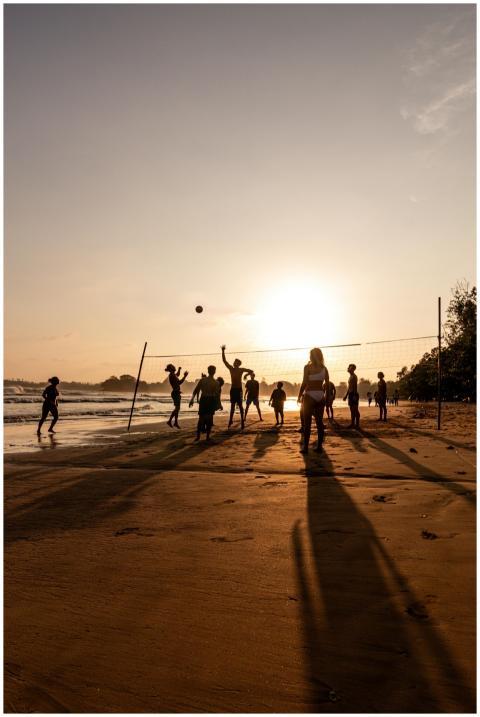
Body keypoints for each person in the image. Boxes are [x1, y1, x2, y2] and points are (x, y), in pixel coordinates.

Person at [298, 348, 330, 453]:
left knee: (307, 423)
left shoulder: (307, 367)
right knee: (319, 422)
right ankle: (319, 447)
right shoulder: (324, 368)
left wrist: (299, 395)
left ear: (311, 356)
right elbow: (327, 385)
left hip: (310, 395)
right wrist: (327, 397)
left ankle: (306, 447)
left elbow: (304, 382)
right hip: (320, 396)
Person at [221, 345, 253, 429]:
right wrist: (223, 351)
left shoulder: (240, 369)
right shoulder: (231, 368)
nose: (233, 362)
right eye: (234, 361)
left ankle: (242, 421)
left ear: (237, 364)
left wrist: (246, 375)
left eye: (235, 362)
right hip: (233, 389)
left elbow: (251, 371)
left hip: (239, 390)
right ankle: (230, 420)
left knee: (240, 406)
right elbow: (224, 361)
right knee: (232, 406)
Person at [189, 365, 220, 442]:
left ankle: (199, 436)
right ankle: (206, 437)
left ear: (208, 371)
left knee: (202, 419)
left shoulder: (204, 380)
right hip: (209, 400)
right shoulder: (215, 382)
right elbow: (217, 395)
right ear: (214, 372)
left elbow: (195, 390)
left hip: (204, 399)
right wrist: (218, 404)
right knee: (207, 419)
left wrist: (192, 399)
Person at [165, 364, 189, 428]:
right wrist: (185, 376)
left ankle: (175, 422)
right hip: (175, 393)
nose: (174, 366)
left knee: (177, 409)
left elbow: (177, 375)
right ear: (171, 369)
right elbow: (179, 382)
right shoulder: (172, 375)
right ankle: (170, 421)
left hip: (176, 393)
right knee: (177, 408)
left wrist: (179, 369)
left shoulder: (173, 374)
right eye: (173, 366)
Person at [343, 363, 360, 429]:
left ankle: (357, 425)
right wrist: (346, 395)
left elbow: (355, 387)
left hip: (353, 394)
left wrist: (355, 395)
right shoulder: (350, 377)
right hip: (350, 394)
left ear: (352, 369)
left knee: (355, 410)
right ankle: (352, 424)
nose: (348, 368)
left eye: (349, 367)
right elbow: (349, 387)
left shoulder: (354, 376)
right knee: (352, 410)